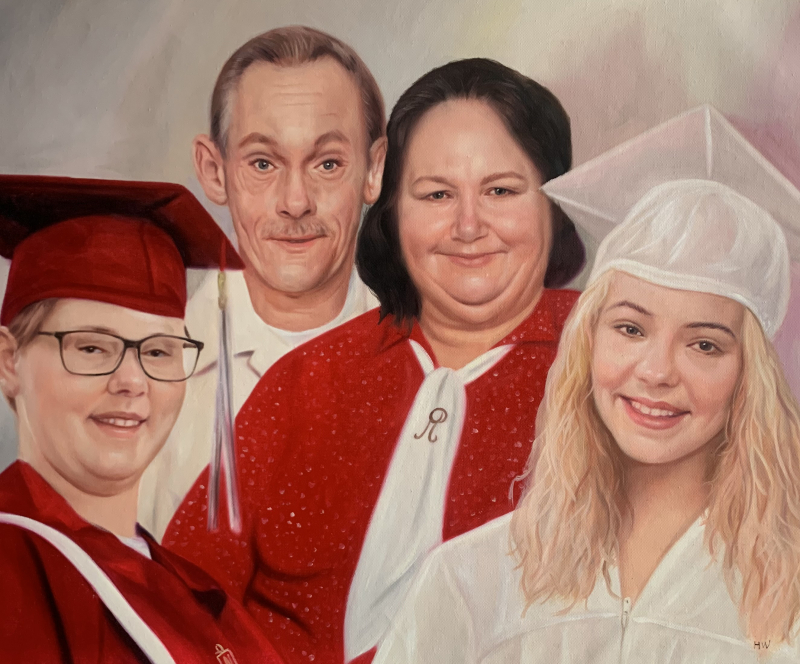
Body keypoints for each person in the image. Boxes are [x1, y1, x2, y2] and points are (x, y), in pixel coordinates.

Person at [165, 58, 586, 664]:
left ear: (554, 203)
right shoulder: (307, 379)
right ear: (391, 209)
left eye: (501, 190)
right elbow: (181, 592)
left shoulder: (613, 359)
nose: (469, 226)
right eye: (436, 194)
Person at [374, 106, 800, 663]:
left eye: (705, 344)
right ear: (587, 343)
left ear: (752, 378)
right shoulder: (474, 580)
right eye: (629, 328)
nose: (656, 371)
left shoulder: (785, 591)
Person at [0, 175, 283, 664]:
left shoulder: (193, 591)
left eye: (159, 351)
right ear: (8, 362)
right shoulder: (14, 569)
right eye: (91, 347)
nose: (132, 381)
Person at [138, 26, 386, 539]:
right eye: (263, 163)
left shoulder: (428, 365)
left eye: (328, 163)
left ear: (374, 169)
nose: (295, 201)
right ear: (214, 171)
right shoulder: (144, 373)